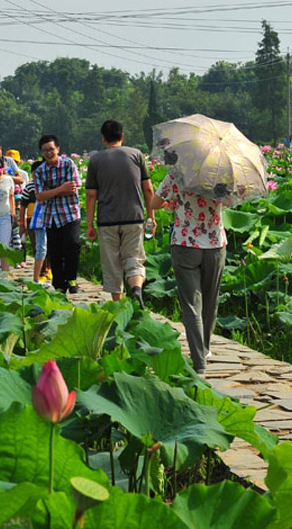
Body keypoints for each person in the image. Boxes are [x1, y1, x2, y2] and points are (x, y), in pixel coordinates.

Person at [149, 174, 226, 377]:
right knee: (210, 301)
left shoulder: (178, 173)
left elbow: (154, 203)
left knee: (192, 304)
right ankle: (205, 349)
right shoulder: (220, 174)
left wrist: (172, 203)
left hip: (185, 243)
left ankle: (199, 361)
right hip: (215, 244)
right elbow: (228, 201)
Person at [84, 120, 156, 307]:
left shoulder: (96, 160)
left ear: (103, 138)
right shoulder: (136, 155)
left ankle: (119, 305)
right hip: (134, 217)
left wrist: (90, 224)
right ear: (122, 136)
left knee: (112, 264)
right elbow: (148, 189)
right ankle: (136, 288)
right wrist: (151, 216)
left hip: (107, 220)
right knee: (134, 259)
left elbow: (91, 195)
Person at [34, 134, 81, 294]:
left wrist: (50, 192)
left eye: (51, 149)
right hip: (50, 216)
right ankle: (59, 285)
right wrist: (61, 189)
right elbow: (39, 196)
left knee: (72, 245)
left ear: (58, 149)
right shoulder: (40, 171)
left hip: (69, 213)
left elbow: (72, 188)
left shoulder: (68, 164)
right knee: (55, 252)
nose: (49, 153)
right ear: (41, 152)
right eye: (45, 150)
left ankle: (72, 278)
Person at [21, 159, 50, 285]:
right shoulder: (31, 186)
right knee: (38, 247)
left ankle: (48, 269)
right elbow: (23, 205)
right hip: (35, 219)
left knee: (50, 247)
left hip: (51, 218)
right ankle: (39, 275)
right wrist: (22, 223)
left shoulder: (49, 183)